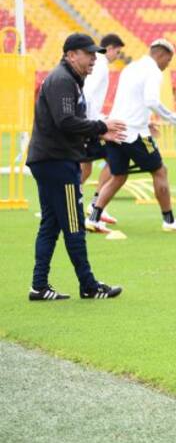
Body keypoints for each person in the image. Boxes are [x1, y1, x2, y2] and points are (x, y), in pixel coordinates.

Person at [27, 34, 127, 300]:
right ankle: (89, 285)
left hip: (50, 159)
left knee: (50, 224)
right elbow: (66, 121)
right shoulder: (62, 80)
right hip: (58, 162)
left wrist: (98, 133)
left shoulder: (68, 79)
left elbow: (69, 122)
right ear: (71, 55)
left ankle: (39, 286)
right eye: (89, 53)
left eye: (95, 54)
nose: (94, 58)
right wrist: (101, 128)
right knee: (74, 224)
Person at [87, 39, 176, 233]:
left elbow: (130, 100)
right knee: (160, 171)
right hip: (135, 133)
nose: (166, 66)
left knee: (118, 176)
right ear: (160, 55)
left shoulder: (131, 67)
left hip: (116, 129)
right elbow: (151, 100)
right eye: (167, 61)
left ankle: (94, 218)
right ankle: (169, 221)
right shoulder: (152, 70)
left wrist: (145, 119)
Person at [80, 33, 123, 191]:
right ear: (110, 48)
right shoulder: (100, 64)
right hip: (89, 121)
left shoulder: (96, 62)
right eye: (118, 52)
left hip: (87, 119)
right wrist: (96, 122)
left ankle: (71, 198)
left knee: (85, 167)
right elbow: (88, 93)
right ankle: (97, 204)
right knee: (115, 158)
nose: (118, 57)